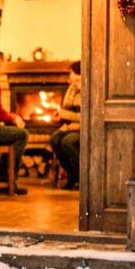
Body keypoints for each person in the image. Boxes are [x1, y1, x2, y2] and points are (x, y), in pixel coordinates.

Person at [0, 49, 29, 195]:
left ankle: (4, 174)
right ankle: (10, 180)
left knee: (12, 130)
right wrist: (14, 117)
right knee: (22, 135)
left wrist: (10, 117)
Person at [50, 61, 82, 189]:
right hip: (74, 126)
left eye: (72, 73)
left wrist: (68, 120)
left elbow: (89, 116)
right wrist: (62, 119)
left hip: (86, 128)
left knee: (67, 142)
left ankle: (81, 177)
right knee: (55, 138)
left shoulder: (90, 87)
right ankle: (72, 174)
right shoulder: (73, 88)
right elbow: (67, 109)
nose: (70, 76)